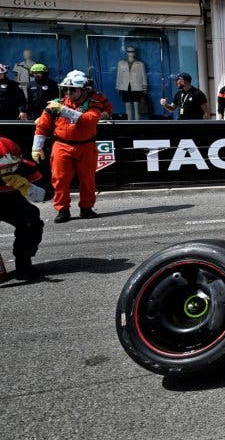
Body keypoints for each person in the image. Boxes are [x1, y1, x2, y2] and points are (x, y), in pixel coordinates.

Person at [32, 70, 102, 222]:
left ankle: (86, 208)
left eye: (72, 89)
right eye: (66, 89)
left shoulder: (93, 104)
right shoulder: (55, 105)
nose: (68, 92)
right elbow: (42, 127)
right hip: (62, 146)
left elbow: (89, 120)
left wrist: (64, 111)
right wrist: (36, 147)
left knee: (87, 179)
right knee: (60, 179)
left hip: (86, 147)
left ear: (83, 90)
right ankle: (63, 210)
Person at [0, 136, 46, 281]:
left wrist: (27, 187)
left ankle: (23, 263)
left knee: (31, 220)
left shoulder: (26, 167)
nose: (8, 172)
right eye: (3, 169)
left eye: (11, 167)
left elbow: (46, 194)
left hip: (10, 200)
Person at [116, 46, 147, 121]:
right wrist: (118, 86)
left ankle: (137, 122)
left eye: (132, 51)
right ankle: (129, 122)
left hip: (137, 87)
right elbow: (119, 75)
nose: (131, 53)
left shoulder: (140, 64)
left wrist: (145, 87)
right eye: (129, 51)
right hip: (125, 87)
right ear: (126, 52)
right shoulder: (121, 63)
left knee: (137, 106)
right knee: (128, 106)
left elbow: (144, 76)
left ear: (135, 52)